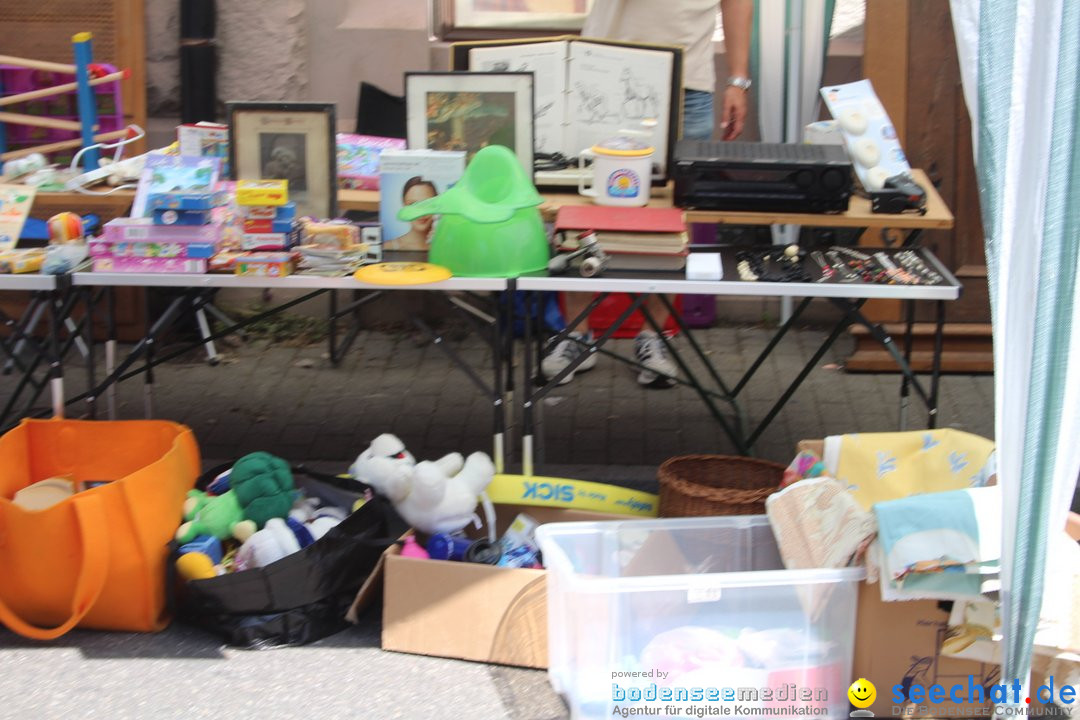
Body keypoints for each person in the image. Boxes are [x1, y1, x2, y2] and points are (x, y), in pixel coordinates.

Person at [543, 0, 752, 387]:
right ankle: (576, 334)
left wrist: (738, 79)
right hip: (604, 65)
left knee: (672, 216)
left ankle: (655, 337)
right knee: (583, 207)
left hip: (688, 79)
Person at [392, 176, 438, 250]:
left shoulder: (447, 246)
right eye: (413, 204)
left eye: (427, 204)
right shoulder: (391, 246)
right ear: (404, 206)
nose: (420, 213)